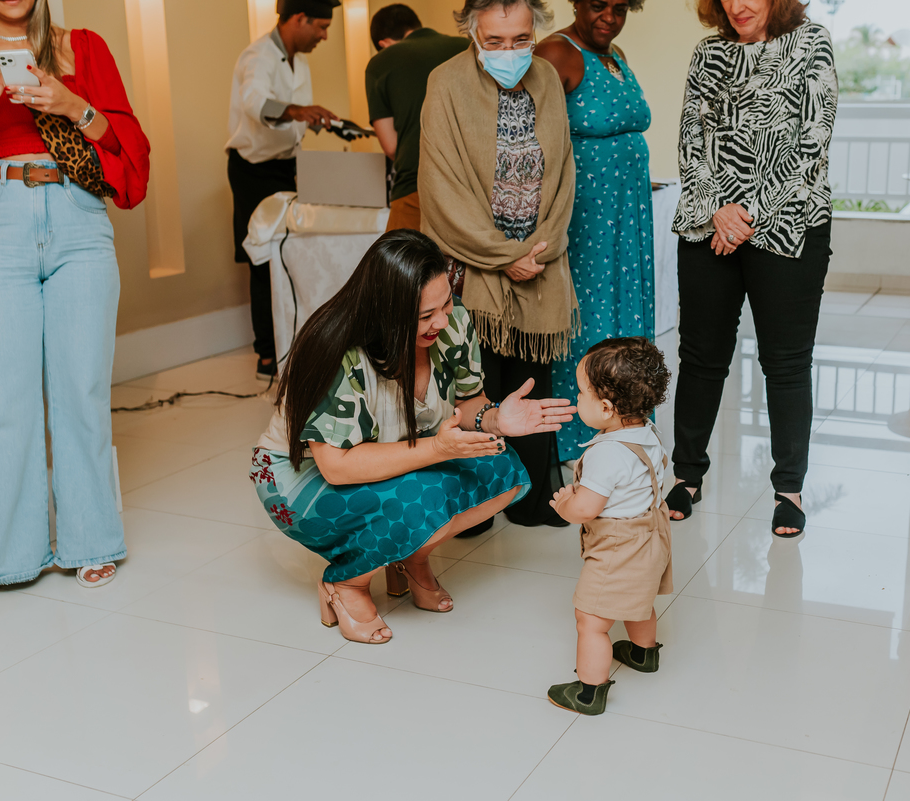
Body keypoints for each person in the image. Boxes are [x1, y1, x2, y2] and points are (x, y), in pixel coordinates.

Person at [250, 230, 576, 643]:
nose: (441, 321)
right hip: (299, 474)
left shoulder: (451, 322)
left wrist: (495, 420)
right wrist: (438, 448)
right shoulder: (337, 348)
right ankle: (346, 583)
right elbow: (337, 465)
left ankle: (408, 556)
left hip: (393, 449)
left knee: (502, 467)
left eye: (445, 303)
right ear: (384, 311)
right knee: (419, 501)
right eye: (425, 315)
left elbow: (470, 404)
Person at [0, 0, 149, 612]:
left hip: (78, 220)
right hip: (2, 215)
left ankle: (91, 540)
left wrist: (73, 105)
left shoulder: (82, 47)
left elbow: (130, 152)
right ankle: (0, 555)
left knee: (80, 388)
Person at [666, 0, 836, 536]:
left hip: (788, 225)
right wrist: (719, 208)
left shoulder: (812, 43)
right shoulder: (707, 52)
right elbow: (691, 140)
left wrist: (750, 211)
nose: (738, 5)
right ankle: (687, 474)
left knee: (785, 362)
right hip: (708, 223)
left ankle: (789, 489)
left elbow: (812, 142)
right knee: (700, 356)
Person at [419, 0, 578, 529]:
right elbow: (441, 189)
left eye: (520, 40)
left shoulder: (549, 78)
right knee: (477, 385)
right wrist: (505, 256)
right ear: (472, 33)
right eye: (494, 42)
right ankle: (480, 504)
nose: (509, 52)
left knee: (533, 382)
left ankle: (532, 498)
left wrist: (541, 247)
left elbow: (563, 173)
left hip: (540, 262)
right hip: (477, 266)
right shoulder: (445, 83)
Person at [535, 0, 655, 463]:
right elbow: (534, 138)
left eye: (620, 7)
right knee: (590, 314)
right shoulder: (557, 53)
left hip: (629, 215)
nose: (609, 16)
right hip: (587, 215)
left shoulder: (615, 54)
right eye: (598, 4)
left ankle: (624, 420)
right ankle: (578, 433)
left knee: (624, 310)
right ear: (577, 3)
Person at [546, 337, 672, 715]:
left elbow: (585, 509)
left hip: (618, 545)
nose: (577, 398)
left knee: (591, 620)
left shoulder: (606, 453)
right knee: (641, 595)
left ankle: (589, 691)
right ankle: (643, 652)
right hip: (651, 533)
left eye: (580, 392)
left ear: (605, 408)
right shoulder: (646, 432)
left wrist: (565, 503)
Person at [226, 0, 342, 380]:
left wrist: (312, 120)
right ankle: (266, 355)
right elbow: (255, 103)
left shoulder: (300, 60)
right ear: (298, 19)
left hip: (287, 166)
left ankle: (293, 343)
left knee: (290, 253)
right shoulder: (257, 55)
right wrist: (296, 111)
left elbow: (291, 119)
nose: (325, 35)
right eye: (321, 26)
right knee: (263, 258)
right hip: (252, 171)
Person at [365, 3, 467, 232]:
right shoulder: (466, 47)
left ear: (383, 44)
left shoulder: (380, 63)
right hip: (470, 185)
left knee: (403, 264)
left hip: (415, 186)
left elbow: (391, 146)